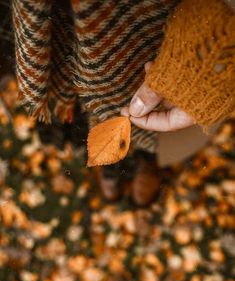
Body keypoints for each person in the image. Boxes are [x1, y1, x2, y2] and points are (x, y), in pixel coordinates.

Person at [1, 0, 235, 206]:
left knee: (139, 121)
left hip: (149, 42)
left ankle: (121, 165)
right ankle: (116, 166)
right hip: (68, 25)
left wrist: (209, 47)